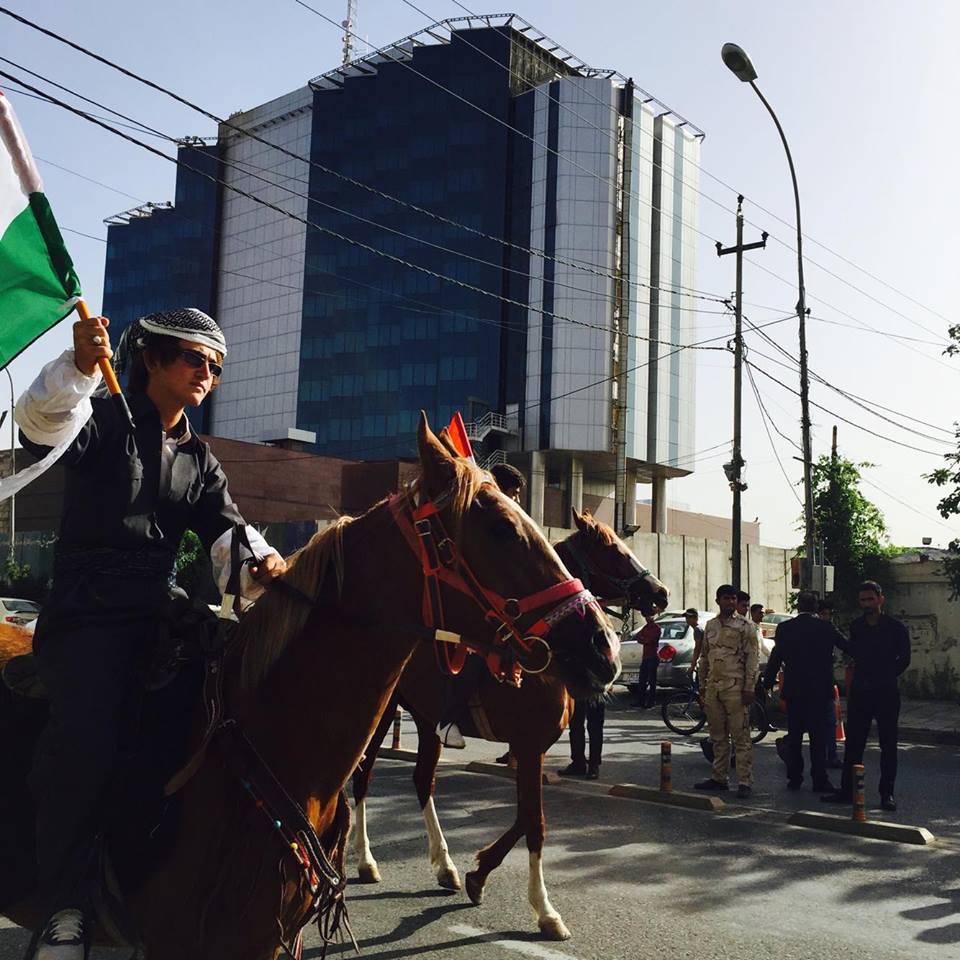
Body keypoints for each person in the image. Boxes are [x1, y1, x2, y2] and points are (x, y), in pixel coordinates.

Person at [16, 308, 286, 959]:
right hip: (87, 619)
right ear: (156, 358)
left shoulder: (201, 458)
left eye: (216, 366)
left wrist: (262, 561)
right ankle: (64, 908)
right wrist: (78, 367)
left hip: (161, 619)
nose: (208, 373)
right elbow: (39, 424)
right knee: (90, 740)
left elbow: (230, 537)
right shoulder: (101, 417)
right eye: (196, 358)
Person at [438, 463, 526, 750]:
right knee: (476, 652)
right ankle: (448, 719)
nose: (517, 501)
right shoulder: (474, 522)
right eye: (514, 493)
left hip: (501, 607)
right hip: (467, 604)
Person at [823, 581, 910, 811]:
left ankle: (886, 794)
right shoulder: (857, 626)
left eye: (871, 599)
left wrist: (886, 675)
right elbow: (854, 652)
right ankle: (846, 791)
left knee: (888, 745)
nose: (867, 604)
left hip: (886, 693)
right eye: (863, 600)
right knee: (853, 745)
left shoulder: (895, 628)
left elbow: (905, 658)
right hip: (861, 692)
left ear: (881, 599)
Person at [762, 591, 842, 792]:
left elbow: (776, 657)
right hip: (819, 690)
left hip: (795, 689)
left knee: (795, 734)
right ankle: (819, 778)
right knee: (818, 737)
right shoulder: (825, 627)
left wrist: (768, 682)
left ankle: (795, 777)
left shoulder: (785, 628)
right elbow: (847, 645)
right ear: (816, 608)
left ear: (798, 606)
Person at [695, 584, 759, 799]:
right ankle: (719, 778)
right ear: (718, 601)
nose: (730, 602)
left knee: (741, 736)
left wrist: (750, 687)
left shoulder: (746, 626)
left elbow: (752, 658)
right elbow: (705, 657)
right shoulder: (710, 626)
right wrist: (702, 686)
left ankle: (744, 781)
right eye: (726, 598)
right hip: (714, 687)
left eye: (733, 599)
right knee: (718, 736)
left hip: (736, 687)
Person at [817, 598, 843, 769]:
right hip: (816, 684)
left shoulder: (828, 629)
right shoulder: (821, 630)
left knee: (830, 721)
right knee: (822, 721)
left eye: (829, 614)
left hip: (825, 684)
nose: (827, 618)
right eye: (823, 614)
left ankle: (831, 755)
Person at [559, 698, 605, 780]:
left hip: (594, 689)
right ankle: (578, 763)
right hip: (577, 689)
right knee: (575, 725)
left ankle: (594, 765)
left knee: (595, 727)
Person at [635, 610, 662, 709]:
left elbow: (651, 640)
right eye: (646, 616)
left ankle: (651, 702)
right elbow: (638, 637)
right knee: (642, 680)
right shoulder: (645, 628)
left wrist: (644, 640)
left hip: (653, 657)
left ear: (653, 616)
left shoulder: (656, 628)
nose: (647, 618)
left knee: (652, 681)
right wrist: (644, 640)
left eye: (649, 616)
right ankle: (640, 701)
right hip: (645, 657)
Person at [685, 608, 705, 678]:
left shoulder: (697, 629)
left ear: (695, 618)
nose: (687, 619)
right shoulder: (698, 628)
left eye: (690, 617)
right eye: (686, 617)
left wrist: (692, 665)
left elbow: (697, 648)